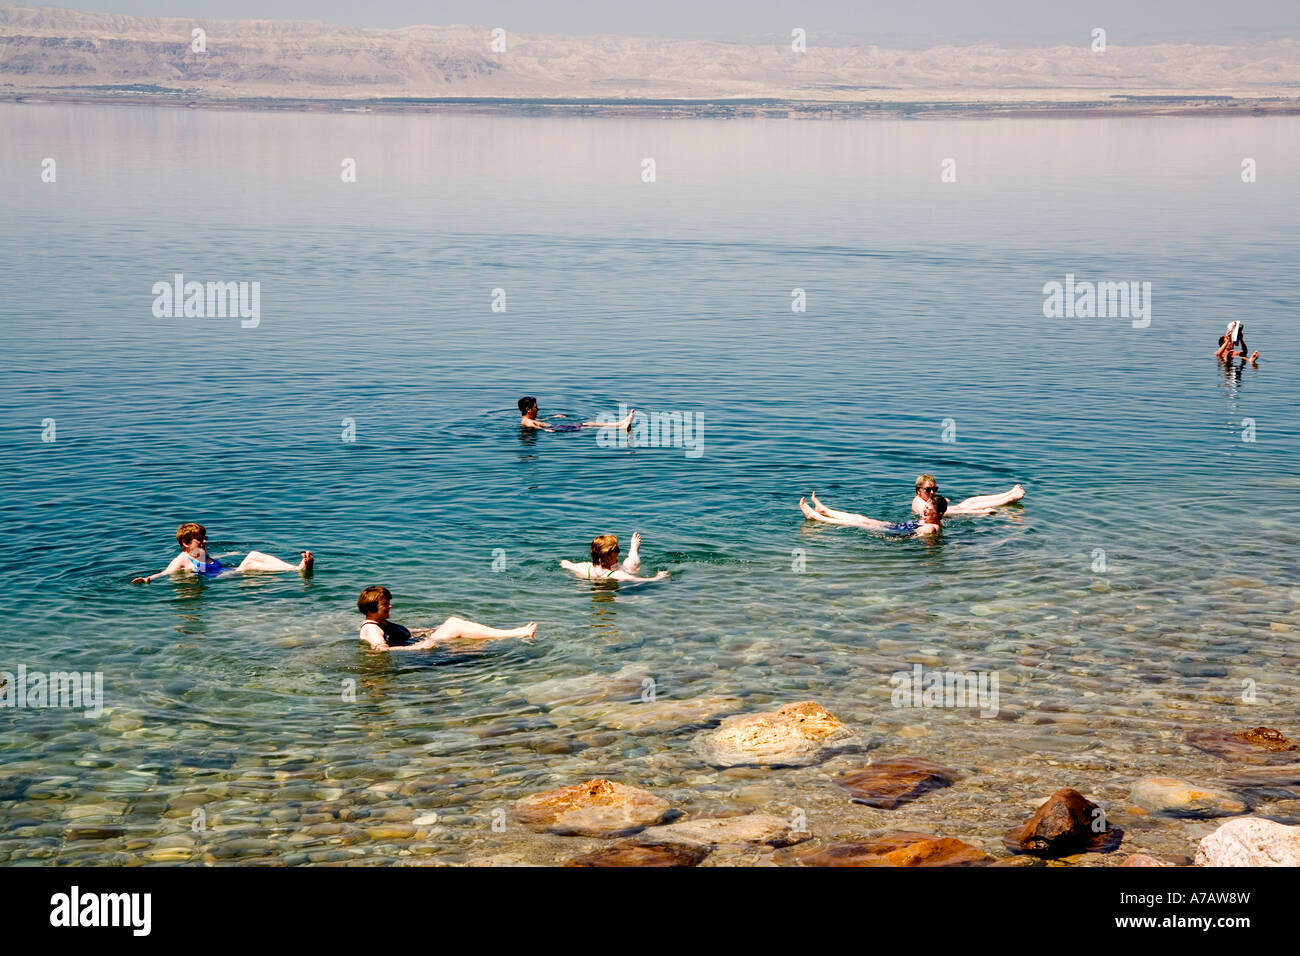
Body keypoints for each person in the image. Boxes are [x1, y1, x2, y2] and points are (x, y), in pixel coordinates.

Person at [356, 586, 536, 651]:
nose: (390, 606)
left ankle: (514, 634)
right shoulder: (371, 628)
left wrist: (430, 630)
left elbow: (398, 635)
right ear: (372, 607)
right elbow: (381, 650)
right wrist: (418, 648)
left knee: (475, 644)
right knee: (454, 624)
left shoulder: (380, 622)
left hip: (419, 642)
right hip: (418, 650)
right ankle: (516, 633)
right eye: (385, 604)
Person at [131, 523, 313, 583]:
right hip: (229, 579)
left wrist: (231, 554)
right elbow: (166, 573)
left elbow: (213, 561)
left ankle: (297, 568)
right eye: (199, 539)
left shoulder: (200, 553)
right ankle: (297, 570)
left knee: (253, 554)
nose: (204, 541)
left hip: (230, 573)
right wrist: (148, 579)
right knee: (251, 561)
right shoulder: (182, 560)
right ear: (186, 543)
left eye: (204, 537)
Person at [800, 494, 947, 537]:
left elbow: (921, 538)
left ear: (939, 513)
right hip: (894, 527)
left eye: (929, 509)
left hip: (894, 533)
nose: (925, 510)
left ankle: (817, 517)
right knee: (860, 517)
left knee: (859, 523)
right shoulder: (932, 521)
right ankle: (825, 509)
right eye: (925, 507)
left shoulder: (931, 527)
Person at [560, 532, 669, 583]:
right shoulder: (618, 575)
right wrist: (659, 576)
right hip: (615, 576)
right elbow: (643, 580)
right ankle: (634, 548)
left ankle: (633, 549)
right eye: (616, 550)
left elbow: (564, 563)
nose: (619, 551)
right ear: (607, 557)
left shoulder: (584, 567)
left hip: (596, 572)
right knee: (631, 564)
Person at [912, 474, 1025, 517]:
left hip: (955, 508)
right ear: (918, 491)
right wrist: (980, 512)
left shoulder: (926, 499)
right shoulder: (919, 504)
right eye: (928, 490)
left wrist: (944, 500)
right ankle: (1010, 498)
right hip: (955, 511)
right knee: (974, 506)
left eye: (934, 489)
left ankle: (1008, 493)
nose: (932, 493)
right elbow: (947, 513)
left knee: (971, 500)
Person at [518, 396, 635, 432]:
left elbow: (538, 421)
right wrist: (546, 430)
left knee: (589, 423)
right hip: (557, 429)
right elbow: (536, 425)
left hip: (556, 426)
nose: (538, 409)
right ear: (528, 409)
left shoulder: (527, 420)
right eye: (535, 407)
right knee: (589, 424)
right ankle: (621, 425)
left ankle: (621, 424)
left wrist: (553, 417)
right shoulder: (528, 422)